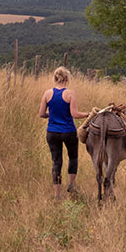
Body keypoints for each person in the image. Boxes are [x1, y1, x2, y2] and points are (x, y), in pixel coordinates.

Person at [39, 66, 90, 200]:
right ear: (66, 79)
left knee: (56, 162)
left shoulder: (47, 93)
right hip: (68, 131)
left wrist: (52, 115)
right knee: (73, 157)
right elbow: (74, 114)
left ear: (55, 78)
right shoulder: (70, 93)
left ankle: (57, 195)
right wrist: (87, 114)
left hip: (52, 132)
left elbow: (41, 114)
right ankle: (71, 185)